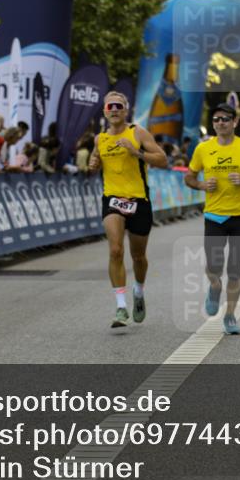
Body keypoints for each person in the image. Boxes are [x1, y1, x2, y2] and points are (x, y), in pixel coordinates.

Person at [185, 102, 240, 334]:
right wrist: (201, 184)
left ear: (234, 122)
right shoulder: (203, 149)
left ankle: (230, 316)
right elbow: (189, 177)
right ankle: (215, 286)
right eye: (216, 119)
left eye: (225, 119)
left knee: (235, 269)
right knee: (214, 267)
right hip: (214, 216)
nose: (220, 123)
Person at [87, 91, 167, 328]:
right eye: (110, 106)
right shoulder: (99, 139)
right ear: (104, 111)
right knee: (115, 250)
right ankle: (121, 307)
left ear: (125, 110)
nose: (114, 110)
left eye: (118, 106)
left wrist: (137, 153)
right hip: (112, 199)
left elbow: (162, 159)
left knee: (138, 256)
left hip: (139, 200)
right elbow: (94, 160)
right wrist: (93, 164)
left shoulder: (137, 132)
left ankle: (139, 291)